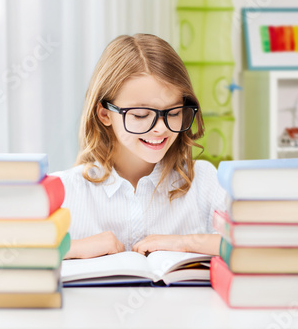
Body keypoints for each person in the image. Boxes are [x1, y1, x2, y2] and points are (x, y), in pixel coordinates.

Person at [54, 33, 227, 259]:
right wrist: (72, 248)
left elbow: (256, 244)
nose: (161, 129)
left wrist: (186, 243)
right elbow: (8, 255)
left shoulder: (204, 181)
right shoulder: (66, 191)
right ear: (105, 114)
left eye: (173, 113)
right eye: (141, 115)